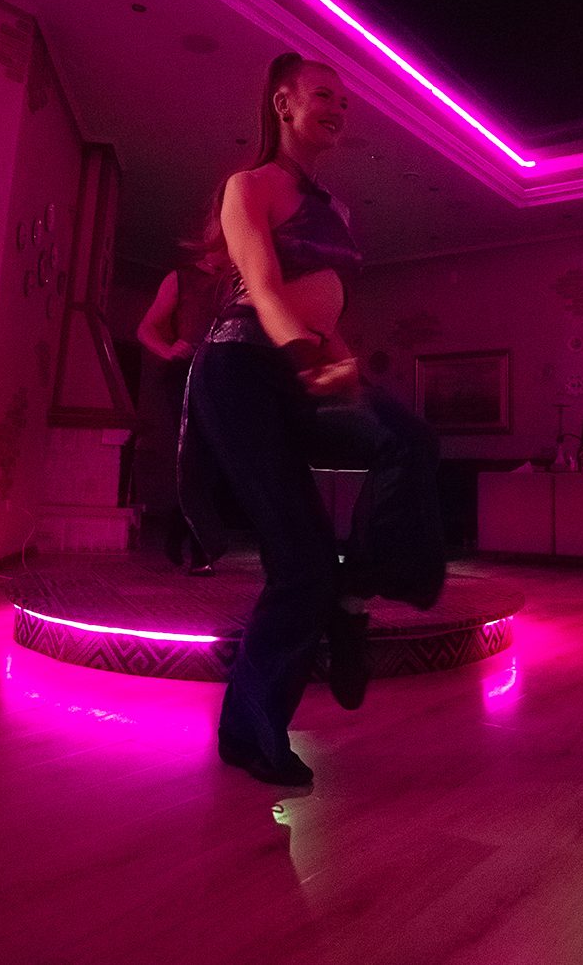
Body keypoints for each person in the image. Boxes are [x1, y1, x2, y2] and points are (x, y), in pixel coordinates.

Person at [181, 52, 445, 787]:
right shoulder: (248, 187)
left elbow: (327, 308)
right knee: (299, 562)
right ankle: (250, 735)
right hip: (242, 370)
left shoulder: (339, 209)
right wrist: (305, 360)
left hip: (307, 364)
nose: (338, 109)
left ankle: (353, 597)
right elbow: (266, 291)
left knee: (410, 440)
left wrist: (343, 363)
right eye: (324, 95)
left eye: (345, 103)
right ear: (283, 103)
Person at [136, 250, 229, 572]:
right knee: (197, 456)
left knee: (213, 461)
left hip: (223, 374)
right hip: (185, 373)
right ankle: (202, 551)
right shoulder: (181, 278)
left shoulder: (239, 277)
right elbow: (145, 329)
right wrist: (168, 350)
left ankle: (179, 527)